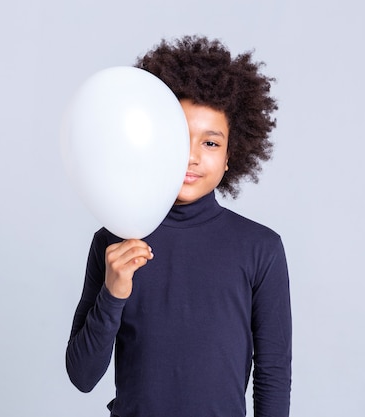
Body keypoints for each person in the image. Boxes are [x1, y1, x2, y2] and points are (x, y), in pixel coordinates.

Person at [66, 35, 292, 417]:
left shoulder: (260, 248)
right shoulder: (114, 240)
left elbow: (273, 372)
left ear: (229, 156)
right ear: (156, 140)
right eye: (180, 137)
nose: (191, 156)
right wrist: (113, 292)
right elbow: (82, 375)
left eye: (210, 143)